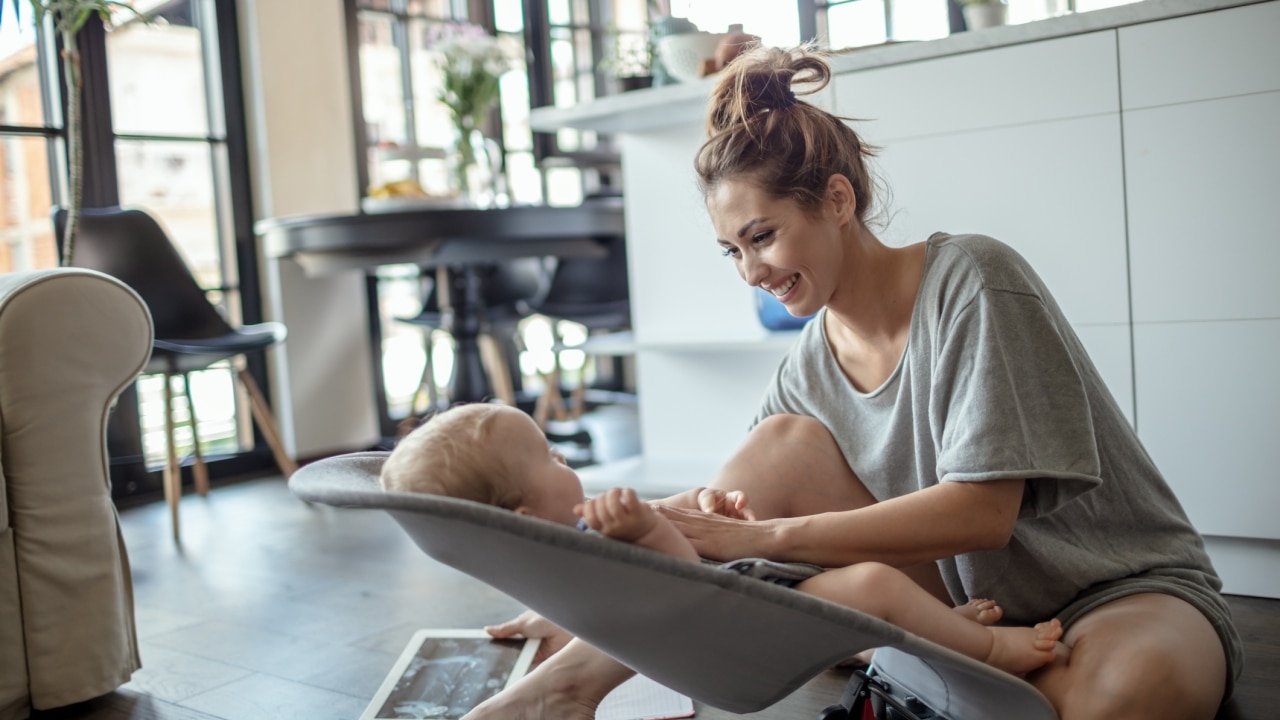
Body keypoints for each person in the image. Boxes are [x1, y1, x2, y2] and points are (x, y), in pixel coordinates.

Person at [462, 45, 1243, 720]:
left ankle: (921, 664)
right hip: (970, 605)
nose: (752, 272)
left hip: (1119, 590)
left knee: (1111, 701)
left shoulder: (973, 278)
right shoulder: (808, 363)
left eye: (762, 236)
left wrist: (766, 537)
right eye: (732, 251)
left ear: (838, 199)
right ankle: (563, 692)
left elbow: (984, 512)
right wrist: (592, 601)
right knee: (770, 455)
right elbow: (721, 539)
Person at [382, 403, 1069, 675]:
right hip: (738, 627)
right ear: (526, 515)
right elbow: (682, 580)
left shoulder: (575, 532)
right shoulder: (590, 540)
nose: (570, 466)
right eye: (552, 462)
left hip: (753, 593)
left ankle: (927, 632)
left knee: (871, 598)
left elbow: (681, 523)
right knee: (873, 586)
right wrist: (651, 528)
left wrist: (691, 504)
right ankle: (989, 650)